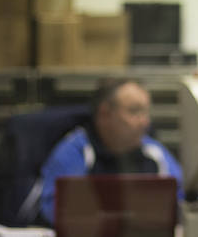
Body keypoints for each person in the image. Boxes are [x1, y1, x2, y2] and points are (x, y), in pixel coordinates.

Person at [35, 77, 183, 227]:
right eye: (134, 111)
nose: (145, 122)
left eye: (146, 112)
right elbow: (53, 210)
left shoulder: (154, 151)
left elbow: (184, 199)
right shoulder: (77, 151)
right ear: (105, 113)